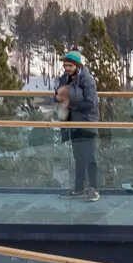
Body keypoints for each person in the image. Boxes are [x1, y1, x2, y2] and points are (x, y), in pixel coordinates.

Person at [54, 49, 101, 200]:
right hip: (73, 122)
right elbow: (57, 94)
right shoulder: (64, 79)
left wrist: (72, 106)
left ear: (77, 66)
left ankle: (93, 188)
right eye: (65, 65)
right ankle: (79, 188)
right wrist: (57, 97)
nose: (67, 68)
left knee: (89, 156)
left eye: (70, 66)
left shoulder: (87, 80)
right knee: (78, 156)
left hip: (87, 122)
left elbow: (91, 102)